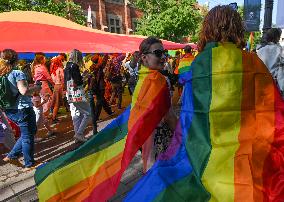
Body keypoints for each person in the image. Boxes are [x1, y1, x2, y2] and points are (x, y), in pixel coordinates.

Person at [138, 37, 177, 172]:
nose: (163, 57)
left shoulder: (141, 78)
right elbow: (169, 116)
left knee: (150, 173)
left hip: (145, 138)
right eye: (158, 53)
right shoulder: (159, 80)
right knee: (163, 176)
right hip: (160, 137)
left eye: (164, 53)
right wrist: (182, 135)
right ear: (144, 58)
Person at [1, 50, 42, 171]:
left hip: (9, 109)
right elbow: (23, 91)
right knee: (27, 136)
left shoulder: (2, 74)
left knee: (30, 131)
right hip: (22, 108)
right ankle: (29, 163)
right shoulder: (17, 73)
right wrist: (37, 87)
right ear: (16, 59)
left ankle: (12, 156)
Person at [64, 49, 91, 143]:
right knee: (88, 113)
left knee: (76, 115)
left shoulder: (66, 66)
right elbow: (78, 82)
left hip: (70, 94)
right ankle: (79, 133)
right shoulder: (74, 66)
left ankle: (77, 136)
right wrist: (85, 77)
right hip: (77, 94)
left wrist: (81, 77)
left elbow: (70, 81)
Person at [257, 28, 284, 96]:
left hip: (261, 83)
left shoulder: (260, 50)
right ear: (276, 37)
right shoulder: (280, 50)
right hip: (274, 84)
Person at [50, 55, 65, 123]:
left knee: (56, 103)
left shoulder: (53, 71)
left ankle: (54, 117)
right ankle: (53, 118)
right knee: (57, 103)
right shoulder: (60, 69)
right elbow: (63, 78)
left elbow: (52, 80)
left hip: (55, 86)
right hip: (59, 86)